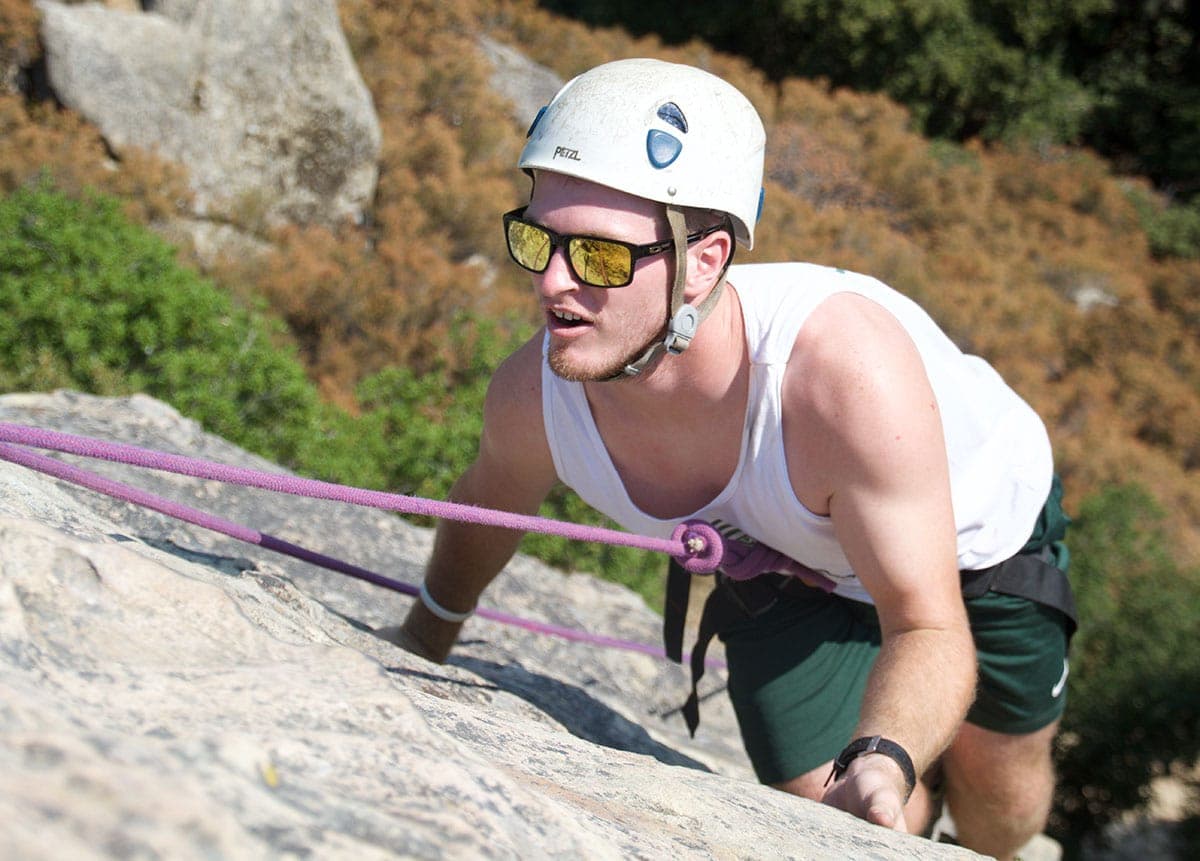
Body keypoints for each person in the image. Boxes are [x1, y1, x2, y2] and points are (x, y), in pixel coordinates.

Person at [377, 58, 1075, 860]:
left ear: (703, 261)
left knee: (999, 803)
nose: (552, 282)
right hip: (781, 562)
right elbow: (489, 506)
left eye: (599, 257)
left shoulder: (839, 378)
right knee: (851, 815)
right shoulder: (536, 397)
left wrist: (885, 749)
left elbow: (925, 619)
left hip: (976, 543)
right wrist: (420, 641)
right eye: (538, 239)